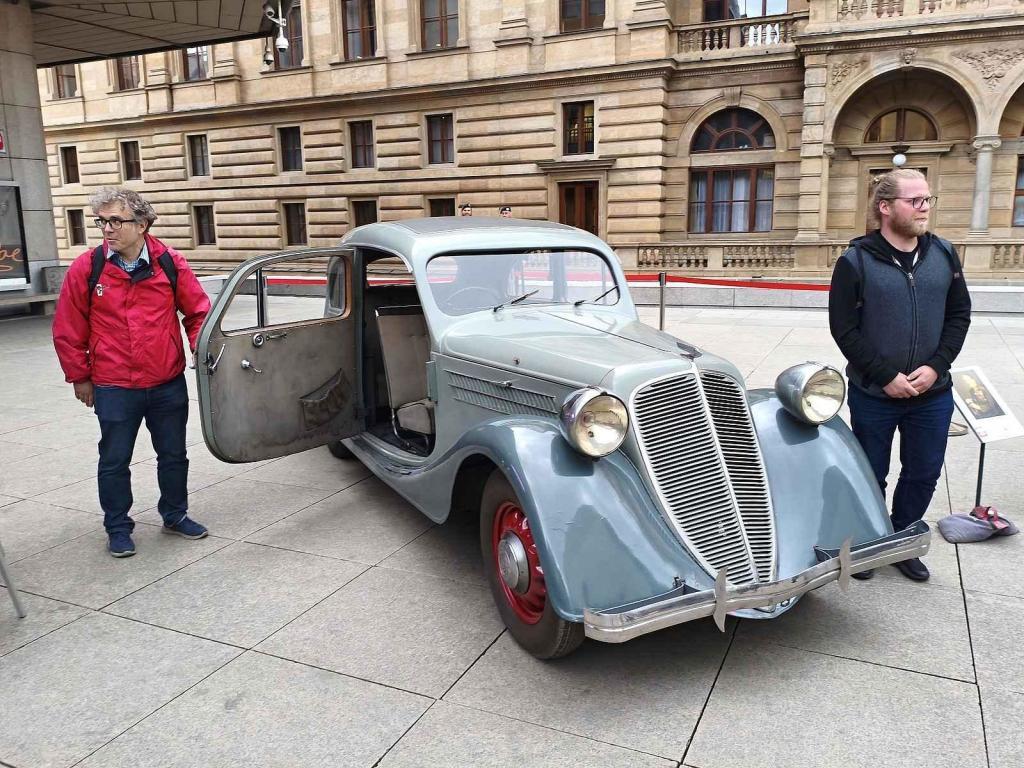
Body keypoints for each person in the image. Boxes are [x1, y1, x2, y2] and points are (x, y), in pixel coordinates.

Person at [52, 188, 212, 558]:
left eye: (116, 221)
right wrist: (80, 376)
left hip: (166, 381)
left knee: (173, 454)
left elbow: (198, 313)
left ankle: (175, 514)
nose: (107, 229)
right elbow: (68, 327)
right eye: (102, 221)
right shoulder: (87, 267)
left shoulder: (169, 262)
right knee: (114, 459)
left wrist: (201, 353)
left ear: (142, 225)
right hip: (114, 384)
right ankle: (118, 527)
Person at [829, 168, 971, 582]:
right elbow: (844, 329)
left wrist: (937, 365)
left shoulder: (944, 254)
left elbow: (959, 315)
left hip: (933, 393)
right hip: (875, 394)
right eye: (915, 201)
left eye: (928, 199)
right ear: (885, 207)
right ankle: (867, 544)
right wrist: (885, 375)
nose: (924, 208)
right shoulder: (855, 260)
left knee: (923, 473)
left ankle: (901, 540)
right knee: (870, 474)